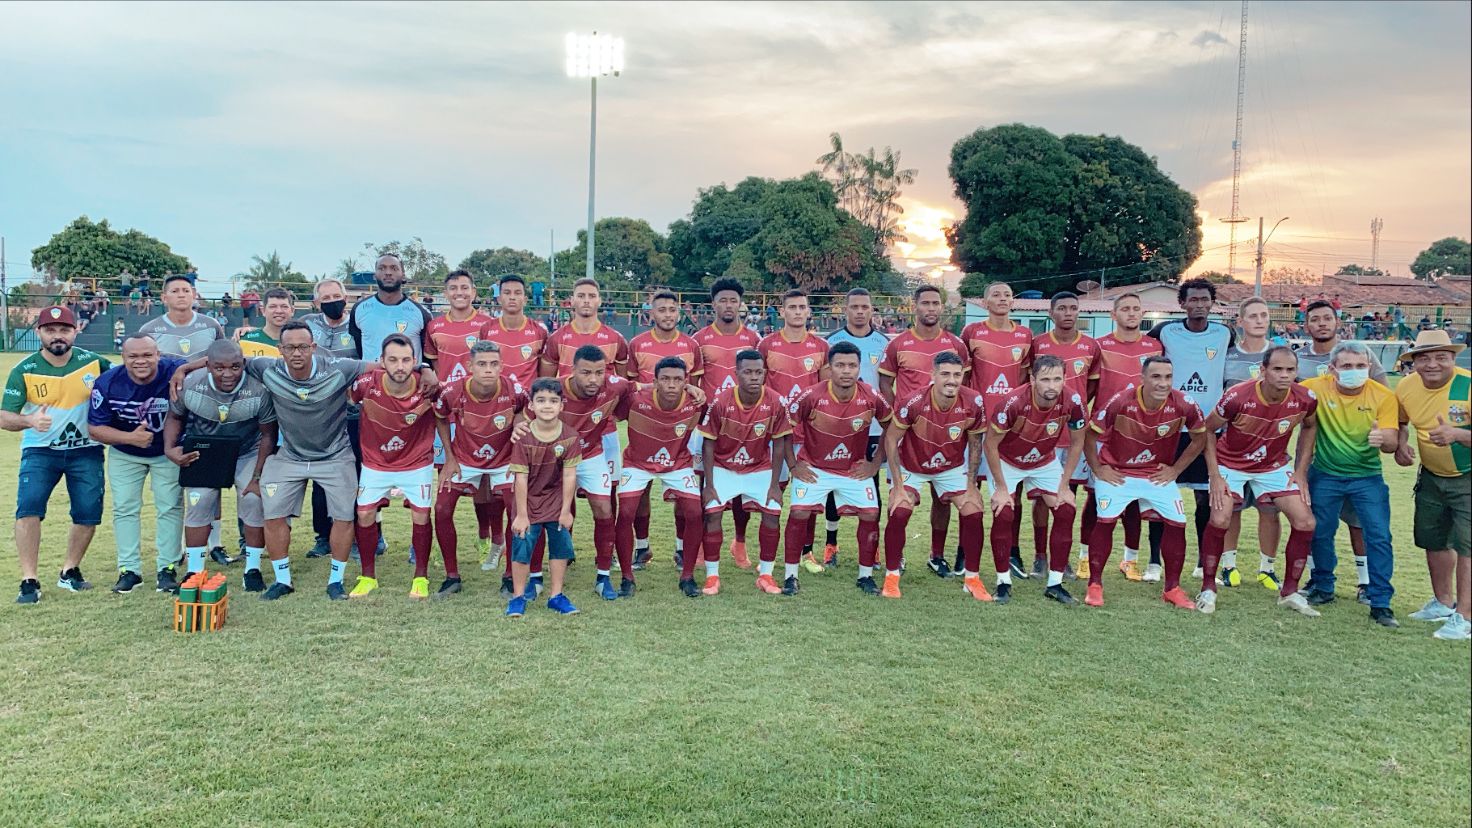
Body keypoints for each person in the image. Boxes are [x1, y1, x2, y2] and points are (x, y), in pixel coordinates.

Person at [172, 321, 380, 601]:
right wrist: (185, 368)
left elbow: (385, 366)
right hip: (290, 456)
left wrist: (424, 370)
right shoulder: (266, 367)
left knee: (343, 517)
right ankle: (283, 580)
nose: (297, 353)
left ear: (313, 347)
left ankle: (336, 581)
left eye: (303, 347)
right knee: (272, 513)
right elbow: (228, 359)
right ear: (280, 349)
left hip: (334, 455)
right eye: (290, 347)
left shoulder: (339, 367)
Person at [1198, 347, 1319, 617]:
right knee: (1219, 519)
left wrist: (1300, 472)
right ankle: (1208, 588)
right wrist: (1215, 476)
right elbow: (1207, 428)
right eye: (1277, 369)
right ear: (1263, 370)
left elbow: (1310, 426)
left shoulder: (1306, 398)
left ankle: (1289, 592)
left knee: (1305, 521)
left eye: (1290, 370)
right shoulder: (1238, 396)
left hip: (1273, 466)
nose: (1284, 375)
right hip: (1230, 464)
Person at [2, 306, 109, 604]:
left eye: (64, 329)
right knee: (28, 510)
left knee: (88, 513)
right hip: (40, 452)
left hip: (85, 451)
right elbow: (4, 416)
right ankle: (29, 579)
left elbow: (124, 386)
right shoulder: (24, 370)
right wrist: (29, 421)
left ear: (76, 331)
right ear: (39, 332)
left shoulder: (95, 363)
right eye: (50, 330)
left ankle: (69, 570)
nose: (57, 335)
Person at [1082, 356, 1207, 609]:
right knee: (1105, 521)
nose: (1163, 383)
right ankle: (1095, 585)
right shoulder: (1121, 401)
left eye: (1168, 377)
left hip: (1155, 474)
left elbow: (1199, 438)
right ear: (1142, 378)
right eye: (1156, 377)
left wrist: (1176, 469)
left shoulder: (1184, 403)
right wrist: (1098, 468)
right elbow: (1089, 434)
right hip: (1118, 472)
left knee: (1177, 522)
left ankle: (1172, 588)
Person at [1298, 342, 1399, 626]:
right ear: (1332, 369)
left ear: (1369, 366)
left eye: (1360, 366)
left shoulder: (1382, 395)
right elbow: (1286, 403)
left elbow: (1391, 441)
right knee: (1319, 532)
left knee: (1378, 536)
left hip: (1367, 477)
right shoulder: (1314, 388)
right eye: (1346, 366)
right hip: (1325, 473)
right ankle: (1323, 585)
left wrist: (1385, 440)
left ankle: (1380, 602)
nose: (1354, 371)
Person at [163, 340, 276, 591]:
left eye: (235, 367)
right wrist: (170, 448)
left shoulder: (259, 388)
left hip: (247, 451)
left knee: (252, 500)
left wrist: (257, 476)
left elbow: (267, 435)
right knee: (199, 500)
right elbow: (175, 416)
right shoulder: (190, 385)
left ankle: (253, 568)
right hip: (206, 450)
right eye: (219, 368)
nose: (228, 374)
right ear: (208, 365)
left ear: (243, 364)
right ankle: (194, 570)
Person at [781, 341, 889, 597]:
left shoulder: (871, 395)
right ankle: (790, 576)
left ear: (859, 367)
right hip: (815, 469)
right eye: (840, 365)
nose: (846, 371)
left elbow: (891, 425)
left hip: (853, 470)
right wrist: (793, 465)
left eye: (852, 365)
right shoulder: (810, 396)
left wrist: (875, 463)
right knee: (798, 513)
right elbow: (784, 428)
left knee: (871, 514)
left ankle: (865, 576)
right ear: (829, 368)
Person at [878, 285, 969, 577]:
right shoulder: (899, 344)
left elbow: (962, 384)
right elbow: (884, 382)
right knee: (901, 498)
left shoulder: (956, 345)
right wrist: (899, 416)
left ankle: (937, 554)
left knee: (943, 498)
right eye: (925, 303)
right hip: (909, 435)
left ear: (942, 307)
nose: (931, 308)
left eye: (935, 303)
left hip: (946, 433)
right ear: (914, 307)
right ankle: (897, 556)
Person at [1147, 278, 1234, 579]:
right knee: (1161, 491)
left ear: (1212, 303)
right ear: (1181, 304)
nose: (1199, 305)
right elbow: (1143, 358)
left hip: (1208, 428)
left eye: (1204, 299)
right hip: (1170, 426)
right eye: (1193, 300)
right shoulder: (1164, 332)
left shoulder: (1225, 334)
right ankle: (1153, 562)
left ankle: (1201, 562)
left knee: (1204, 498)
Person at [881, 352, 987, 600]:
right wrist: (897, 485)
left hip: (950, 467)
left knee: (974, 511)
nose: (952, 380)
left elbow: (975, 442)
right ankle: (891, 576)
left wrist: (971, 484)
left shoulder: (973, 401)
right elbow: (891, 439)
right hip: (912, 465)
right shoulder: (913, 401)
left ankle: (972, 579)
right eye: (945, 374)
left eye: (957, 375)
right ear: (933, 375)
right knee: (900, 510)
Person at [982, 356, 1087, 605]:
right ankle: (1003, 582)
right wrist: (1001, 487)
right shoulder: (1012, 402)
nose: (1052, 385)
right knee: (1004, 511)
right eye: (1045, 379)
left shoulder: (1072, 400)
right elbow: (990, 444)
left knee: (1066, 510)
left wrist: (1064, 485)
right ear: (1032, 380)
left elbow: (1078, 441)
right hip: (1007, 460)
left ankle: (1055, 584)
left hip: (1043, 461)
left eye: (1057, 379)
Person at [87, 336, 186, 593]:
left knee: (170, 506)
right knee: (125, 508)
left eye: (147, 355)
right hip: (125, 452)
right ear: (123, 357)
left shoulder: (174, 369)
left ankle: (168, 567)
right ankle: (129, 569)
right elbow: (95, 429)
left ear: (158, 354)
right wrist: (131, 438)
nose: (140, 361)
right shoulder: (107, 382)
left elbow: (211, 361)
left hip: (167, 452)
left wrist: (184, 370)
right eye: (133, 356)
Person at [347, 334, 439, 599]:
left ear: (414, 361)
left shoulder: (427, 385)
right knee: (364, 514)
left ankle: (420, 578)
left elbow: (447, 409)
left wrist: (429, 371)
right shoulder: (366, 384)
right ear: (382, 362)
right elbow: (344, 401)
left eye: (406, 360)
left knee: (421, 515)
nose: (400, 366)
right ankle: (367, 577)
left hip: (416, 460)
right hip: (376, 461)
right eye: (393, 360)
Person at [1394, 329, 1471, 641]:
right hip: (1431, 476)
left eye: (1442, 357)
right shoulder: (1406, 386)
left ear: (1453, 358)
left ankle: (1465, 616)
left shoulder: (1467, 384)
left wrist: (1458, 435)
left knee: (1468, 546)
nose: (1433, 364)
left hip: (1467, 475)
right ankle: (1442, 603)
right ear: (1413, 362)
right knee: (1433, 539)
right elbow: (1400, 421)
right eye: (1424, 358)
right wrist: (1401, 443)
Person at [434, 341, 526, 597]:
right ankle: (452, 576)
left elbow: (524, 410)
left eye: (494, 364)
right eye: (482, 364)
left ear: (501, 366)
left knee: (516, 509)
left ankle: (509, 576)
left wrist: (519, 423)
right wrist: (450, 458)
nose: (488, 369)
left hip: (504, 459)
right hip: (463, 459)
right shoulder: (452, 391)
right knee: (441, 508)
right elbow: (440, 416)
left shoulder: (514, 388)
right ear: (469, 366)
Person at [615, 357, 708, 597]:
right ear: (654, 381)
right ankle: (627, 577)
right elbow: (613, 407)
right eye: (665, 379)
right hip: (637, 462)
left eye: (678, 380)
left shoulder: (696, 403)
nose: (671, 385)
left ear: (686, 382)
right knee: (625, 512)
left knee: (695, 512)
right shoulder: (635, 401)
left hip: (678, 462)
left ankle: (687, 576)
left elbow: (708, 421)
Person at [1086, 292, 1163, 582]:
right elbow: (1091, 389)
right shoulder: (1100, 346)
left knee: (1133, 500)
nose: (1132, 313)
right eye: (1125, 309)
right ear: (1113, 315)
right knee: (1095, 497)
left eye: (1136, 309)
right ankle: (1084, 557)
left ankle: (1130, 559)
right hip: (1105, 433)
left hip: (1142, 435)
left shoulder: (1154, 346)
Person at [625, 290, 704, 569]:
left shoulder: (690, 344)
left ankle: (681, 550)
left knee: (683, 495)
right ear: (651, 313)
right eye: (662, 310)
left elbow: (694, 387)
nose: (668, 314)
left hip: (681, 427)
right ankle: (642, 548)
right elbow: (630, 384)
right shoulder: (636, 344)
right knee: (640, 488)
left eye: (672, 309)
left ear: (678, 313)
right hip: (647, 422)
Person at [699, 349, 789, 594]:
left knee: (772, 513)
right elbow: (708, 443)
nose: (753, 377)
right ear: (736, 373)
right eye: (747, 372)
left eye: (758, 372)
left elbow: (779, 443)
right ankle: (712, 576)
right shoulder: (720, 401)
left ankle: (766, 575)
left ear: (764, 374)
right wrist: (709, 484)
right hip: (723, 466)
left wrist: (773, 484)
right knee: (713, 514)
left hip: (758, 467)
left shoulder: (776, 401)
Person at [960, 282, 1034, 579]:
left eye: (1007, 294)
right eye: (996, 295)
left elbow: (1027, 378)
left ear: (1013, 301)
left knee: (1011, 489)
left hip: (1010, 426)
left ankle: (1013, 551)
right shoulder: (972, 333)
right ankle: (964, 552)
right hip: (978, 424)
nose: (1002, 299)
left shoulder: (1025, 335)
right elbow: (964, 378)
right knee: (970, 488)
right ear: (985, 301)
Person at [692, 278, 763, 568]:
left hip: (745, 425)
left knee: (741, 489)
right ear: (714, 304)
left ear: (740, 304)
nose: (729, 305)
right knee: (702, 486)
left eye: (733, 300)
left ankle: (740, 543)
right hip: (709, 425)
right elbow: (695, 385)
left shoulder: (753, 339)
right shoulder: (699, 339)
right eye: (723, 300)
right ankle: (697, 547)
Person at [759, 289, 830, 573]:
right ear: (783, 311)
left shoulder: (821, 346)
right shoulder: (766, 344)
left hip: (808, 434)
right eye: (792, 307)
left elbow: (825, 389)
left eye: (803, 307)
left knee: (808, 494)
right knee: (771, 491)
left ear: (808, 311)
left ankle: (806, 552)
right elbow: (760, 387)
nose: (798, 312)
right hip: (774, 434)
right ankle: (768, 553)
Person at [1030, 292, 1099, 581]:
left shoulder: (1090, 345)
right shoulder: (1038, 344)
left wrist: (1074, 411)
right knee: (1040, 499)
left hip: (1071, 436)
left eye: (1073, 308)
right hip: (1041, 434)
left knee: (1066, 495)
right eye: (1062, 309)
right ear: (1051, 313)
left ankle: (1063, 557)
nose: (1068, 313)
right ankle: (1039, 556)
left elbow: (1091, 388)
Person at [558, 345, 637, 597]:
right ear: (572, 371)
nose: (593, 379)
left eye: (599, 372)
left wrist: (691, 387)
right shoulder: (555, 389)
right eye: (586, 373)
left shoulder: (615, 386)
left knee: (604, 509)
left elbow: (641, 388)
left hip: (592, 455)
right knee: (544, 514)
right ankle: (536, 577)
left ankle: (603, 576)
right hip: (556, 458)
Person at [823, 288, 892, 568]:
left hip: (872, 427)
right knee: (831, 484)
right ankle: (831, 543)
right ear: (846, 309)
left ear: (872, 309)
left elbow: (887, 384)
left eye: (866, 306)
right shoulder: (832, 341)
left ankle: (872, 548)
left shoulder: (883, 342)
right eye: (855, 307)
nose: (860, 311)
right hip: (837, 426)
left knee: (871, 484)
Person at [505, 378, 582, 618]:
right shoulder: (523, 437)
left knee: (560, 548)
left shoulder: (570, 436)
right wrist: (521, 514)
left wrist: (566, 510)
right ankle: (518, 597)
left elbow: (570, 476)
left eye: (553, 401)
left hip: (556, 502)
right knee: (522, 547)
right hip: (527, 502)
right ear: (531, 405)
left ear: (562, 405)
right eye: (541, 400)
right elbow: (521, 479)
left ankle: (556, 596)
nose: (547, 406)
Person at [1220, 297, 1282, 590]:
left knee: (1270, 510)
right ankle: (1229, 565)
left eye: (1264, 315)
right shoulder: (1227, 356)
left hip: (1271, 451)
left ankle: (1266, 569)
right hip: (1232, 450)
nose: (1259, 320)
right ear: (1240, 322)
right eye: (1253, 316)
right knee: (1231, 508)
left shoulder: (1282, 356)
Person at [350, 253, 432, 362]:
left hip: (410, 378)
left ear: (403, 275)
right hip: (371, 377)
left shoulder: (421, 312)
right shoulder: (359, 309)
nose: (388, 272)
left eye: (394, 268)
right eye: (382, 268)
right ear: (374, 275)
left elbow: (429, 353)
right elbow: (358, 350)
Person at [540, 278, 629, 379]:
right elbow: (547, 384)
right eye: (581, 296)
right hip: (568, 395)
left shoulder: (616, 339)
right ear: (572, 301)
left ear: (599, 301)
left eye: (592, 296)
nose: (586, 301)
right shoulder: (556, 338)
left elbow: (623, 385)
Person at [424, 269, 493, 385]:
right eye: (453, 288)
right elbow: (434, 359)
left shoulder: (489, 324)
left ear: (473, 292)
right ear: (445, 293)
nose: (459, 292)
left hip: (481, 396)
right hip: (447, 397)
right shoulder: (434, 326)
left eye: (465, 288)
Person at [482, 274, 548, 391]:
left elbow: (543, 373)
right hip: (496, 401)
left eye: (517, 293)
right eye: (507, 293)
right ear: (499, 298)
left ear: (525, 299)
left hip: (528, 403)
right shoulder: (486, 329)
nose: (512, 297)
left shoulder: (540, 331)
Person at [238, 288, 295, 358]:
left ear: (292, 311)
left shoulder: (302, 342)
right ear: (263, 311)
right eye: (272, 307)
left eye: (284, 307)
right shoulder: (245, 340)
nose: (279, 311)